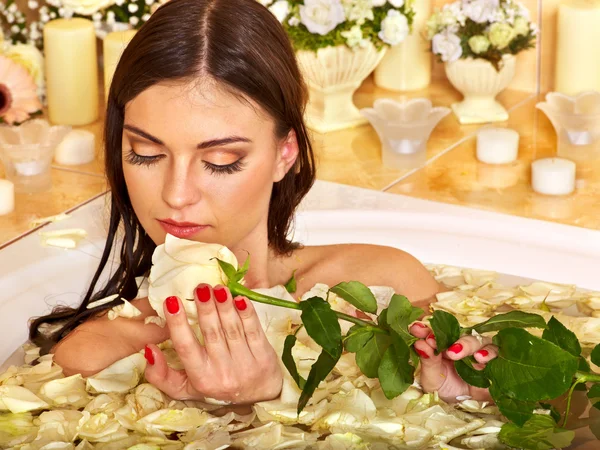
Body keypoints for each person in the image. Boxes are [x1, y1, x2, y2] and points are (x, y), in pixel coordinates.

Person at [29, 0, 496, 406]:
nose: (176, 195)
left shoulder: (389, 286)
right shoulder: (102, 355)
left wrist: (466, 399)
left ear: (284, 154)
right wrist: (243, 411)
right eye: (146, 154)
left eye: (221, 160)